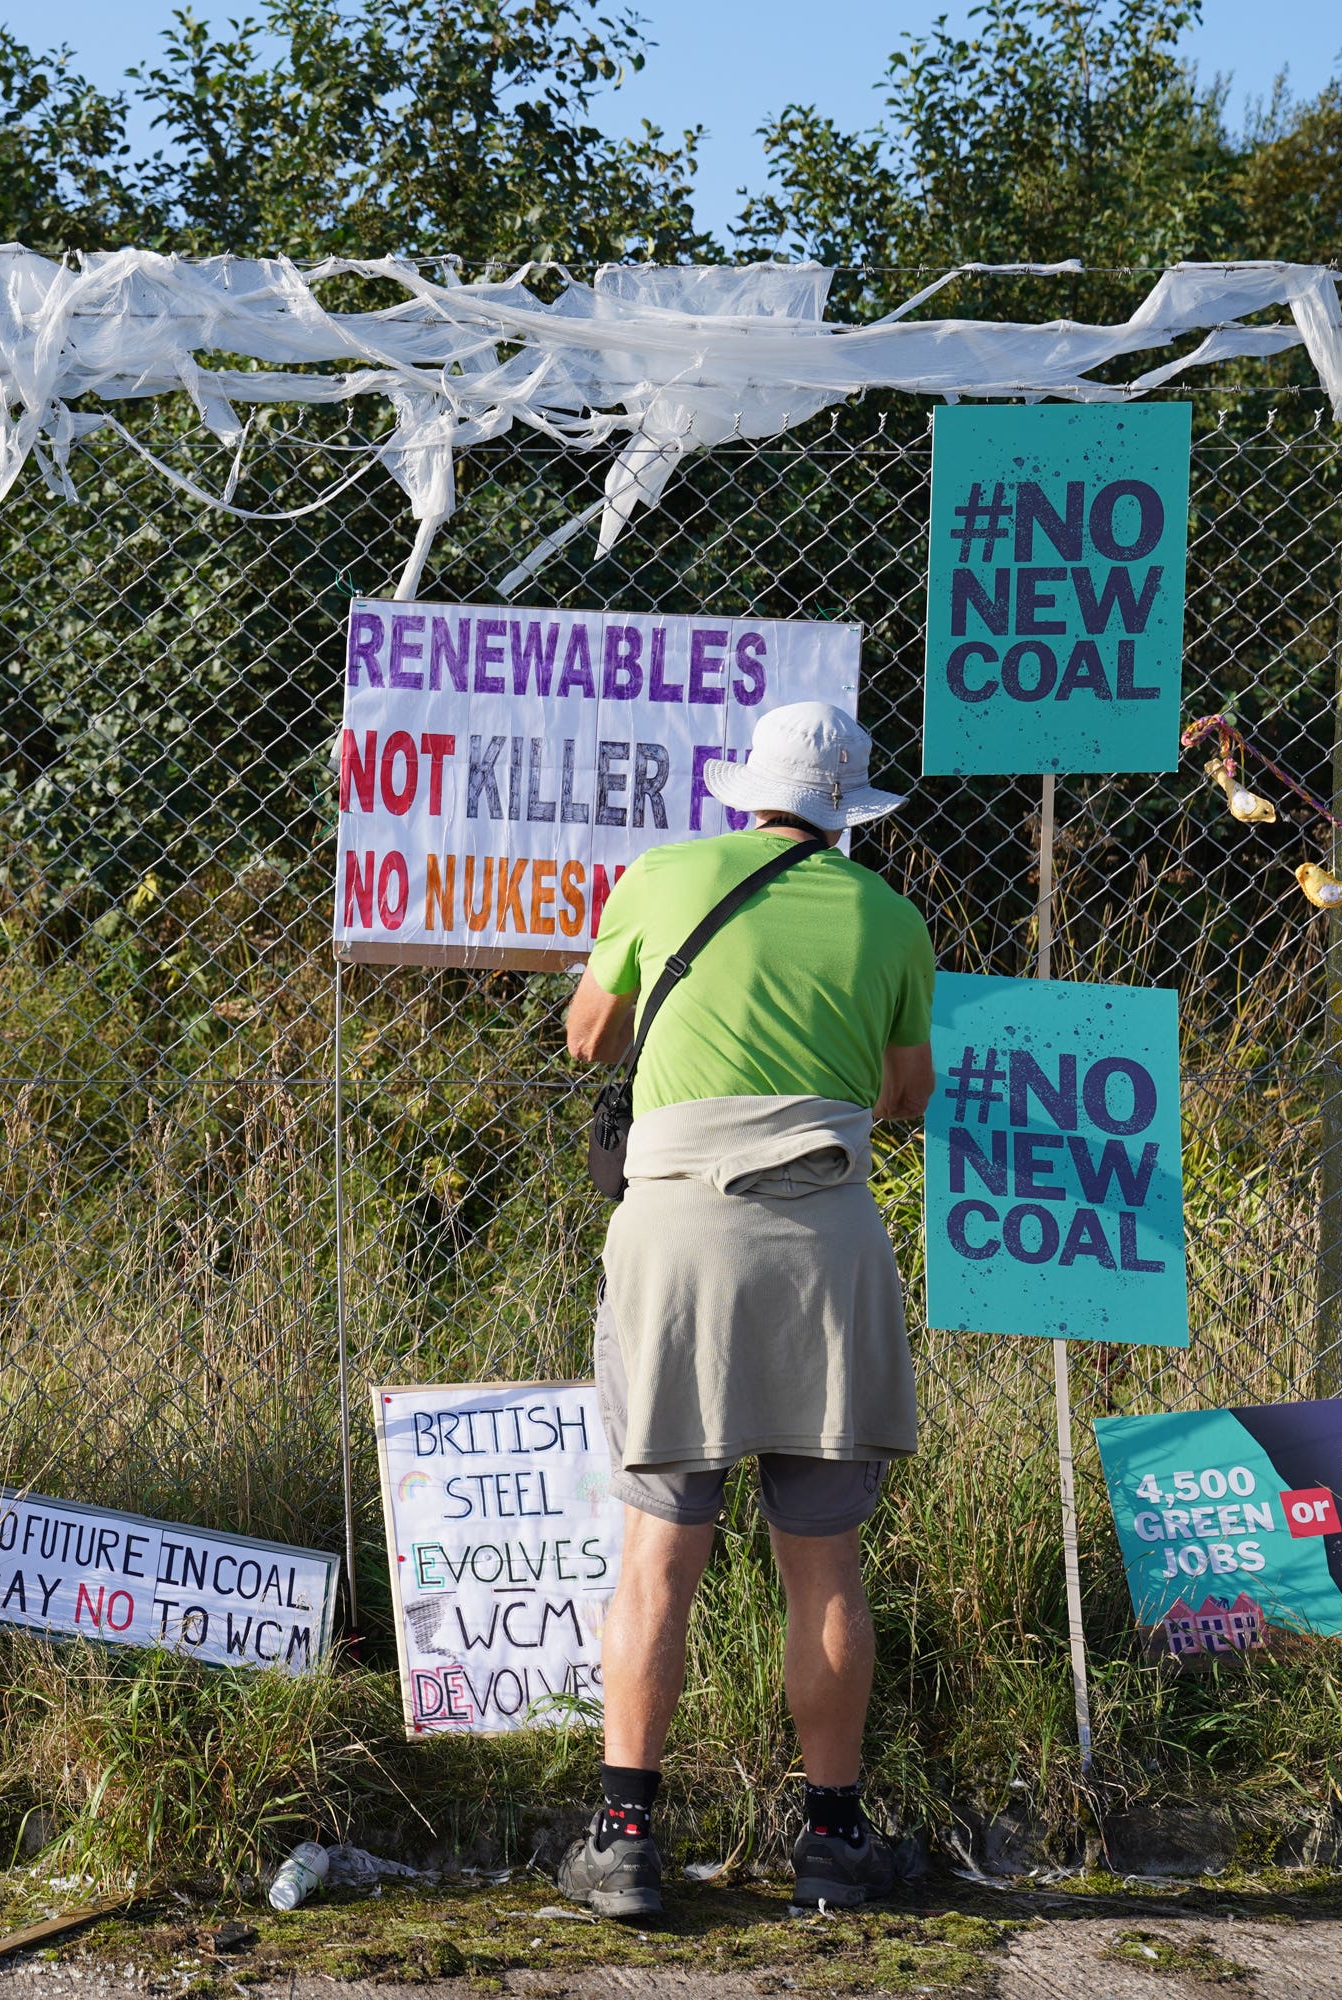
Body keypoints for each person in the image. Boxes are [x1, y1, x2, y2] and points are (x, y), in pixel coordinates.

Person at [552, 701, 936, 1919]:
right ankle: (832, 1839)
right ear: (845, 811)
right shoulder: (890, 916)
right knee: (823, 1561)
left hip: (674, 1241)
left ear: (744, 793)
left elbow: (589, 1036)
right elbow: (904, 1097)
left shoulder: (662, 875)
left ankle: (622, 1839)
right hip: (823, 1244)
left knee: (660, 1551)